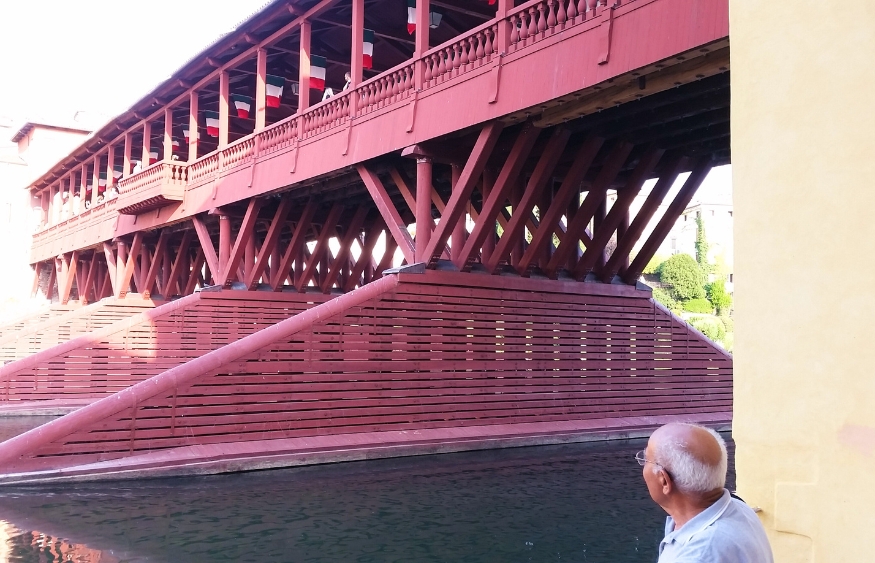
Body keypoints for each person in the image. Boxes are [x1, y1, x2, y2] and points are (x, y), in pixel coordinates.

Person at [638, 423, 774, 562]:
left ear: (664, 481)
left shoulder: (696, 556)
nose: (642, 463)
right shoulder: (739, 508)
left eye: (645, 458)